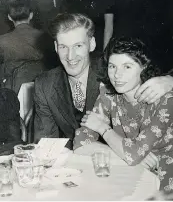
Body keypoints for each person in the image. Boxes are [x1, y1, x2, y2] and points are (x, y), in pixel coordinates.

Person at [33, 13, 173, 150]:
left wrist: (169, 80)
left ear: (92, 44)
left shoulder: (116, 72)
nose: (70, 56)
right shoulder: (45, 84)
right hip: (80, 158)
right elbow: (46, 143)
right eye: (64, 47)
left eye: (78, 46)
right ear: (56, 47)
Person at [73, 37, 173, 193]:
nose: (117, 75)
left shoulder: (164, 99)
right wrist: (123, 152)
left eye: (127, 67)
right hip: (133, 169)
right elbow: (79, 144)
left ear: (144, 67)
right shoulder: (108, 95)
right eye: (112, 66)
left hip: (165, 176)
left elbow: (133, 155)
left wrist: (101, 127)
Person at [0, 0, 55, 77]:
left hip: (12, 85)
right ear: (31, 15)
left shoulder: (0, 41)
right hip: (43, 82)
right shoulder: (46, 37)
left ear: (9, 17)